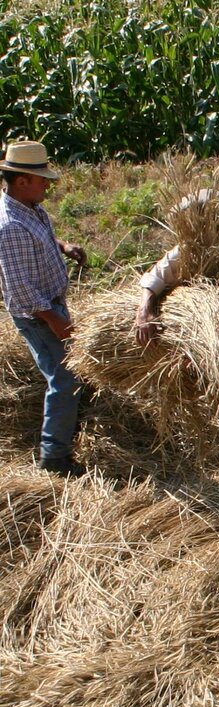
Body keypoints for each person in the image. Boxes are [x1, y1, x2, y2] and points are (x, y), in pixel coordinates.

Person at [134, 188, 219, 496]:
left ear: (210, 222)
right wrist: (145, 311)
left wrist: (205, 353)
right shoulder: (190, 248)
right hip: (209, 350)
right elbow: (154, 278)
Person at [0, 139, 88, 477]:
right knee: (64, 378)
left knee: (73, 370)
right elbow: (22, 289)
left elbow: (41, 237)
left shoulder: (30, 209)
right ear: (22, 181)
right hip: (38, 315)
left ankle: (70, 422)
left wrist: (63, 245)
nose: (48, 185)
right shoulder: (10, 227)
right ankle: (54, 457)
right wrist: (55, 321)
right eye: (43, 180)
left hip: (51, 307)